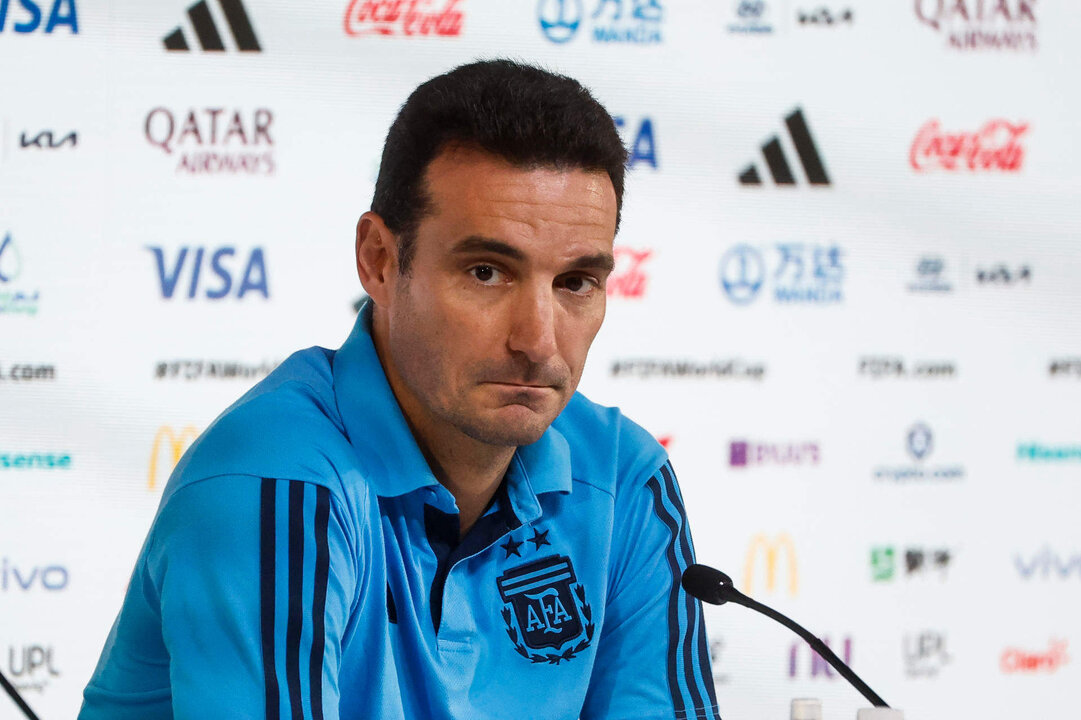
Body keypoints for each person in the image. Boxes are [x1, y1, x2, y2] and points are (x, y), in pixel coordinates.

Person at [79, 59, 719, 720]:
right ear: (379, 261)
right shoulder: (278, 477)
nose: (538, 340)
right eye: (485, 272)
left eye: (575, 283)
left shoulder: (621, 475)